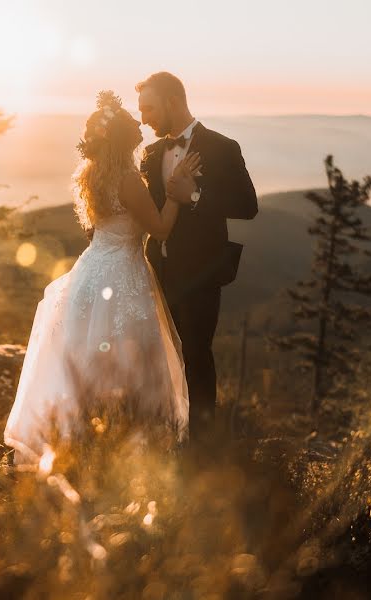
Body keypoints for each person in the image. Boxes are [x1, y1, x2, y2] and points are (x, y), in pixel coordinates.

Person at [3, 91, 200, 466]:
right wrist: (175, 193)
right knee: (131, 359)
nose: (142, 131)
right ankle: (127, 446)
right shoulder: (127, 179)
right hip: (124, 272)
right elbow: (159, 229)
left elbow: (98, 229)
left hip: (92, 270)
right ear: (125, 141)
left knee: (85, 355)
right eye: (135, 130)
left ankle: (81, 440)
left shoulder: (90, 175)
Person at [137, 72, 258, 450]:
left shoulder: (223, 147)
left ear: (173, 102)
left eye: (149, 108)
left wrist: (195, 196)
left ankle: (203, 449)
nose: (143, 119)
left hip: (202, 274)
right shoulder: (151, 154)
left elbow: (247, 206)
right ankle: (164, 439)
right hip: (157, 272)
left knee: (197, 355)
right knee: (158, 359)